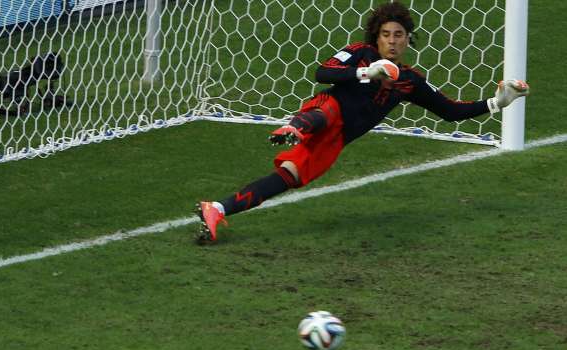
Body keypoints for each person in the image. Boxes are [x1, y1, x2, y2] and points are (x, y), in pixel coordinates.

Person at [195, 1, 529, 243]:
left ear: (407, 39)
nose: (393, 41)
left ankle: (217, 209)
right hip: (323, 111)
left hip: (337, 140)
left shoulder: (410, 80)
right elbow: (322, 72)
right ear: (376, 37)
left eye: (399, 35)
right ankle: (294, 127)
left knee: (285, 179)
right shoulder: (360, 53)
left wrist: (497, 102)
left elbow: (450, 111)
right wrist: (365, 72)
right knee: (328, 110)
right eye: (386, 34)